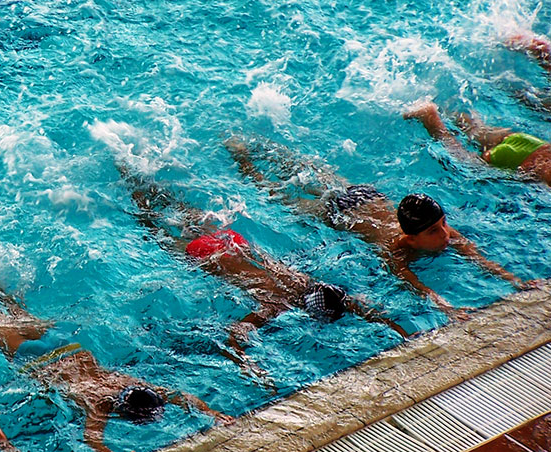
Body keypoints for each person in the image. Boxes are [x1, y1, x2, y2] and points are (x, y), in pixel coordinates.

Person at [114, 162, 408, 370]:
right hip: (207, 257)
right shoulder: (277, 304)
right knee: (154, 224)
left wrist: (397, 328)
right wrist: (249, 365)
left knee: (177, 212)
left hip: (233, 242)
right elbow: (236, 333)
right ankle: (132, 184)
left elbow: (354, 303)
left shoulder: (306, 282)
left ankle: (135, 173)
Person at [0, 277, 233, 452]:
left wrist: (213, 413)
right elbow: (92, 440)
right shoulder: (103, 402)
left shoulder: (126, 383)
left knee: (12, 309)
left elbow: (176, 395)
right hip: (37, 359)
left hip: (64, 344)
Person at [225, 136, 533, 317]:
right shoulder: (396, 249)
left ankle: (263, 148)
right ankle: (246, 159)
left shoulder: (440, 230)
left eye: (443, 224)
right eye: (432, 231)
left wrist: (515, 281)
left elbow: (475, 254)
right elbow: (411, 282)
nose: (443, 235)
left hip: (367, 195)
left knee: (314, 177)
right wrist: (446, 307)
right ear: (410, 240)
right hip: (341, 213)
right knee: (282, 194)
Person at [403, 100, 551, 185]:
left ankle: (444, 104)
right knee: (464, 161)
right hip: (517, 160)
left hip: (530, 143)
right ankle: (430, 118)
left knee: (477, 130)